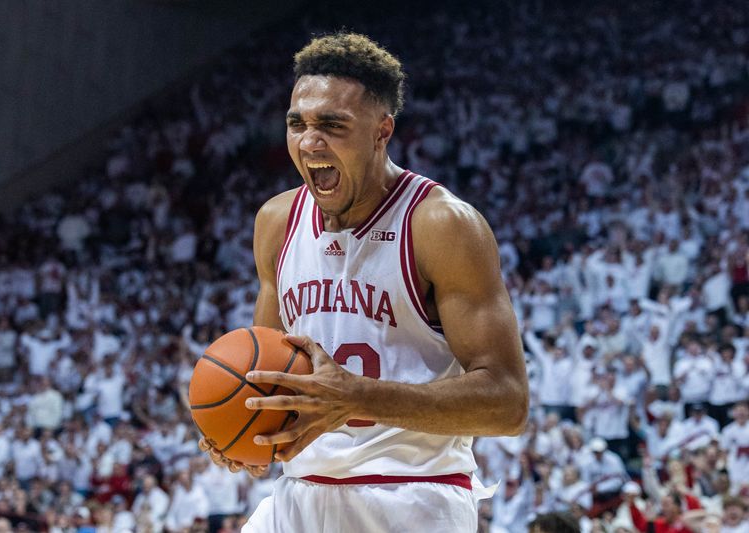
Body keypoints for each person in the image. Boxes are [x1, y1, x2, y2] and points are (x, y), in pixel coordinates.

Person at [199, 32, 528, 532]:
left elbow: (507, 404)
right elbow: (264, 377)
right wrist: (242, 432)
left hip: (413, 498)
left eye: (332, 125)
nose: (310, 141)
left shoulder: (441, 225)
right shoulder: (276, 222)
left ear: (382, 130)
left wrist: (358, 397)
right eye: (298, 124)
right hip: (298, 496)